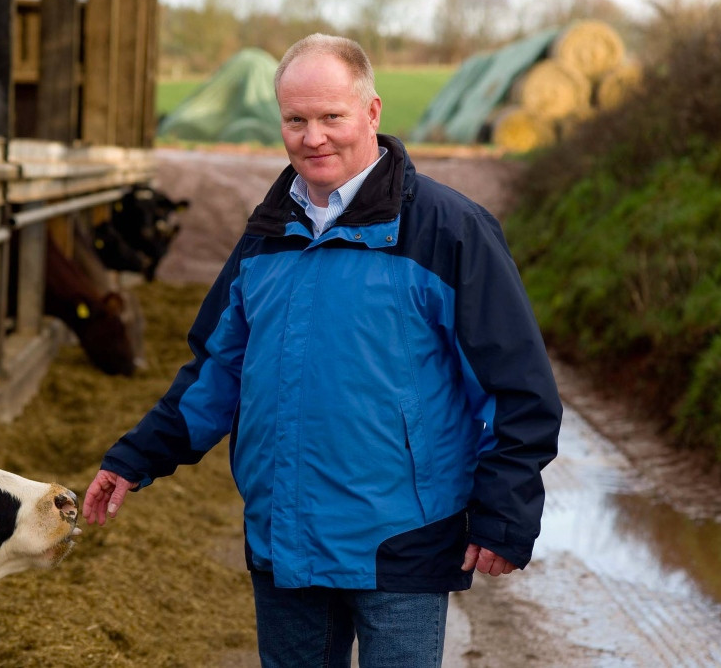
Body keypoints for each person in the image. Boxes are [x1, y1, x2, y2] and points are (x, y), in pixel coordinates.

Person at [82, 33, 561, 667]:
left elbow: (520, 388)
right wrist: (135, 458)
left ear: (371, 112)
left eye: (331, 116)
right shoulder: (266, 235)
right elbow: (217, 374)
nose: (314, 138)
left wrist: (505, 511)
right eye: (296, 120)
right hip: (286, 543)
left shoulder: (448, 230)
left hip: (403, 545)